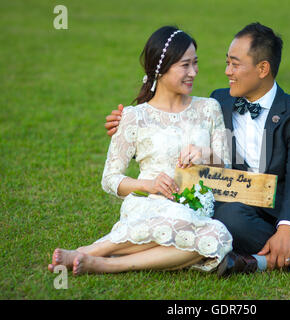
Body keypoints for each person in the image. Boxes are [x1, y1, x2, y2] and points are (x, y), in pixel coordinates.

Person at [105, 23, 290, 277]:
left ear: (263, 68)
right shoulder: (219, 100)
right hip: (235, 204)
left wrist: (288, 228)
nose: (227, 71)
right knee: (230, 218)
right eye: (226, 62)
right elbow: (172, 114)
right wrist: (124, 119)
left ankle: (260, 260)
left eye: (235, 64)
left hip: (278, 202)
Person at [48, 26, 233, 275]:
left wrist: (206, 154)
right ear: (161, 68)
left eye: (195, 63)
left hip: (196, 209)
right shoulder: (134, 117)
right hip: (150, 205)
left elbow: (228, 168)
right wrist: (148, 185)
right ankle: (94, 251)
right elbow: (110, 179)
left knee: (219, 236)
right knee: (194, 230)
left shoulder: (209, 108)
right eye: (185, 65)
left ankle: (104, 261)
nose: (194, 72)